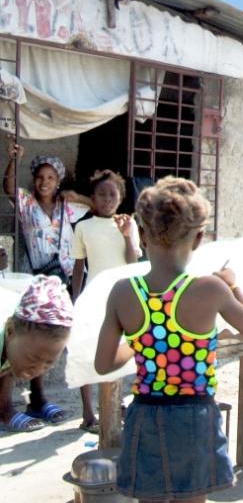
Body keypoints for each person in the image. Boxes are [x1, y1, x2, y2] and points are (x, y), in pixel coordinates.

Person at [94, 176, 243, 501]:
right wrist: (232, 285)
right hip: (195, 418)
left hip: (145, 417)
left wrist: (141, 340)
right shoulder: (211, 289)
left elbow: (103, 365)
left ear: (141, 235)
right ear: (198, 238)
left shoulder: (123, 292)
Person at [70, 170, 142, 434]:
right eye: (101, 194)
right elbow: (78, 267)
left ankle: (115, 403)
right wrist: (75, 300)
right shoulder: (83, 227)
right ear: (92, 198)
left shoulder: (128, 224)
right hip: (93, 297)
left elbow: (132, 263)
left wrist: (125, 234)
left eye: (113, 194)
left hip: (122, 297)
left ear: (121, 197)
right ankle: (88, 412)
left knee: (119, 351)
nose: (107, 198)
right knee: (86, 350)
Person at [3, 142, 91, 283]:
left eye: (50, 178)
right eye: (40, 177)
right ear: (34, 179)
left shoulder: (66, 203)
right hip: (36, 275)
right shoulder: (27, 202)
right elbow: (9, 188)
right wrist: (15, 159)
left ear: (58, 182)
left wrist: (79, 197)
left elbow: (97, 208)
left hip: (68, 275)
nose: (44, 182)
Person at [0, 275, 73, 432]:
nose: (38, 370)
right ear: (10, 331)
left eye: (49, 363)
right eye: (34, 359)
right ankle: (3, 410)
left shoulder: (20, 338)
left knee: (21, 357)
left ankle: (36, 402)